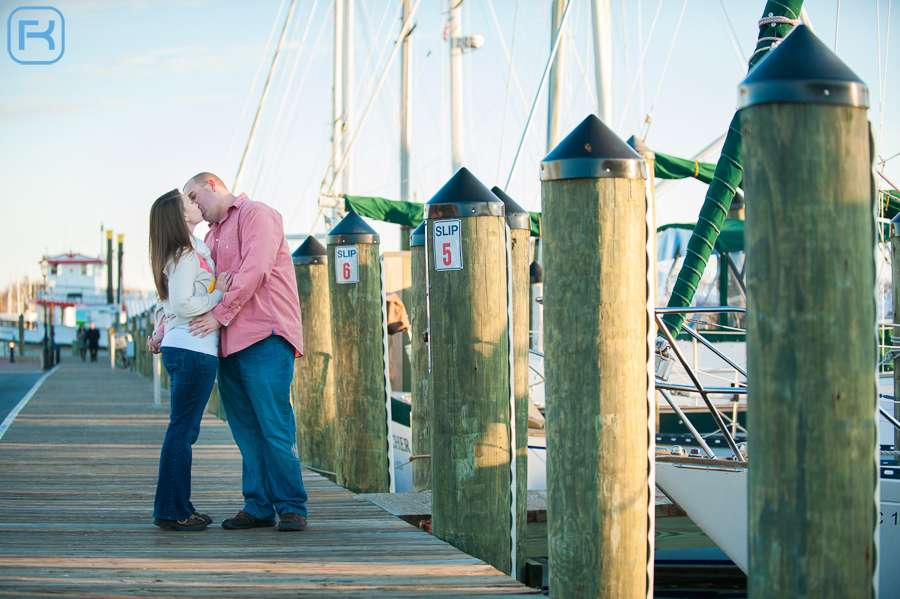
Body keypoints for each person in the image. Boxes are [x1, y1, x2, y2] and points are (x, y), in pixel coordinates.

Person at [183, 172, 308, 532]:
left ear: (212, 184)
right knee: (245, 430)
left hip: (264, 335)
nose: (193, 206)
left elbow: (255, 271)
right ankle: (258, 505)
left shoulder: (257, 214)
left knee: (274, 424)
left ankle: (291, 506)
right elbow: (202, 288)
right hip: (226, 343)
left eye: (194, 196)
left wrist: (219, 315)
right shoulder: (209, 236)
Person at [148, 189, 233, 532]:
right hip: (192, 351)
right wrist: (219, 294)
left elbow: (171, 307)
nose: (196, 204)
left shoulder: (187, 252)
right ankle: (172, 511)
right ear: (181, 216)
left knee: (183, 430)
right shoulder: (185, 254)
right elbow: (183, 305)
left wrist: (160, 332)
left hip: (185, 349)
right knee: (182, 431)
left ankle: (179, 506)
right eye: (189, 202)